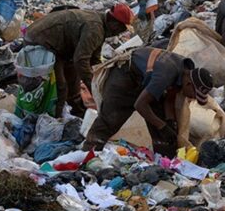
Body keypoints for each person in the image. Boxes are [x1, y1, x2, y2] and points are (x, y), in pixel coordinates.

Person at [83, 47, 214, 156]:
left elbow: (169, 99)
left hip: (144, 80)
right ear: (189, 84)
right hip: (125, 77)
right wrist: (162, 126)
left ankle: (166, 160)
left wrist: (169, 123)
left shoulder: (185, 71)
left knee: (161, 120)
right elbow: (140, 105)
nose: (192, 98)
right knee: (110, 119)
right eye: (194, 95)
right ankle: (87, 154)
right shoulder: (165, 74)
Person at [24, 4, 133, 117]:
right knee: (61, 86)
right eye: (122, 28)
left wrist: (102, 79)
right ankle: (56, 119)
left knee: (73, 80)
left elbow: (94, 58)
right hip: (40, 40)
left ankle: (76, 112)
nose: (121, 32)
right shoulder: (95, 28)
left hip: (58, 44)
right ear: (114, 23)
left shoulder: (100, 24)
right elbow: (81, 60)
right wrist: (93, 88)